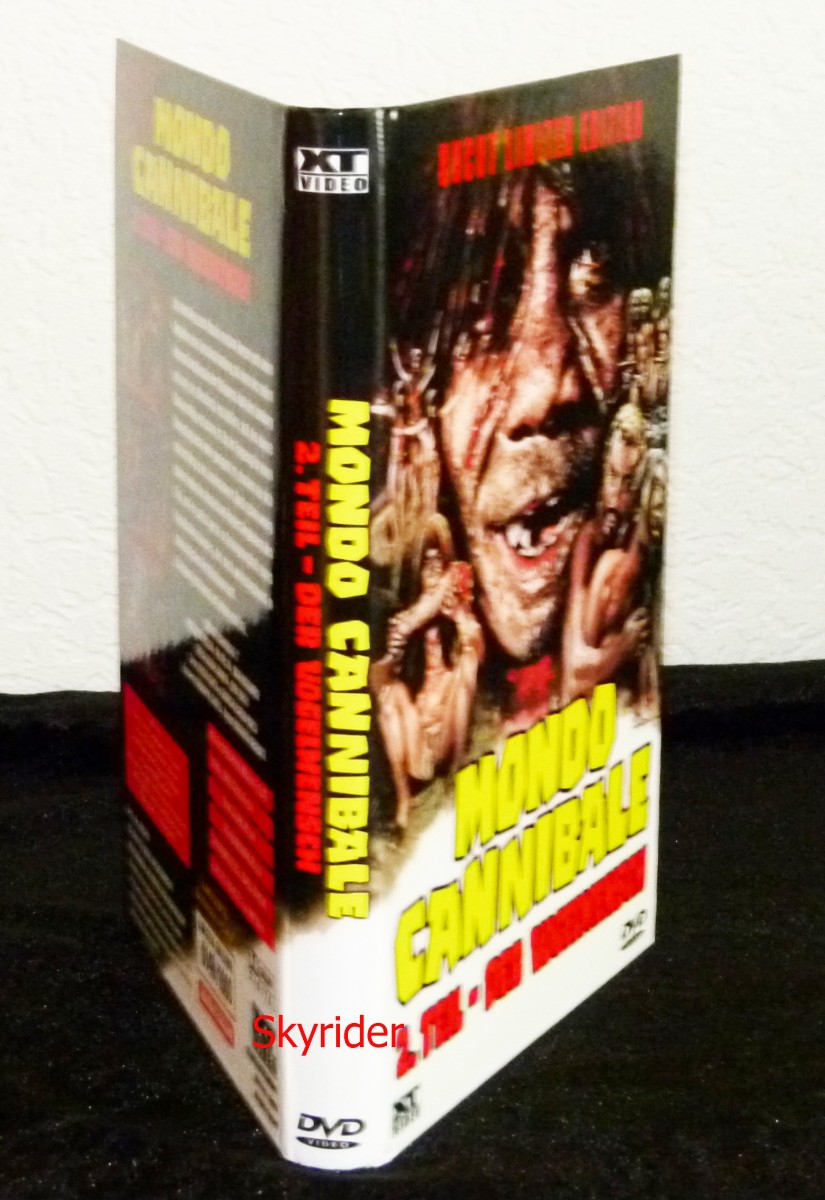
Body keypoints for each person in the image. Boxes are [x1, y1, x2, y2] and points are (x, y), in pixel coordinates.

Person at [371, 517, 483, 830]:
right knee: (391, 696)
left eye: (438, 563)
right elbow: (377, 680)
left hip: (448, 733)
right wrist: (397, 645)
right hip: (416, 743)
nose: (434, 570)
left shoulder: (456, 613)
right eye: (427, 565)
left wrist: (458, 616)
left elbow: (475, 645)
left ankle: (458, 773)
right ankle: (403, 797)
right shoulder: (402, 622)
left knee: (466, 669)